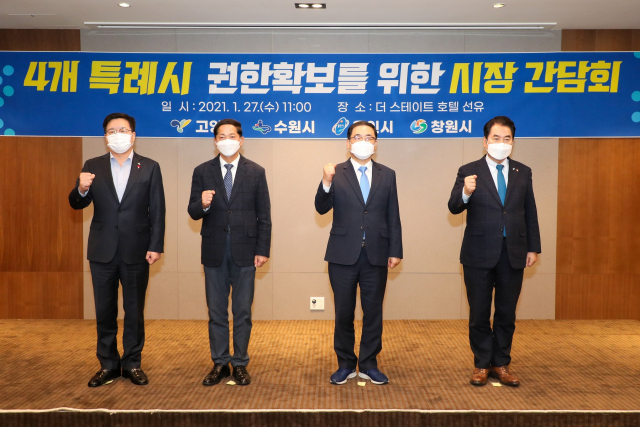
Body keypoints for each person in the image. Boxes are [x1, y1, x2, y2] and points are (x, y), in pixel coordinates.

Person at [69, 112, 166, 387]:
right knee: (104, 311)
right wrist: (81, 188)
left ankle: (132, 363)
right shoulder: (93, 165)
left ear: (133, 135)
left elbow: (158, 209)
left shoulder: (150, 166)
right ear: (105, 137)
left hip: (137, 249)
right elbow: (76, 203)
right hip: (102, 250)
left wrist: (156, 245)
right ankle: (108, 365)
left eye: (123, 130)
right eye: (112, 131)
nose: (117, 135)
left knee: (134, 311)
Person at [448, 116, 541, 387]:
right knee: (479, 312)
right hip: (478, 252)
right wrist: (466, 192)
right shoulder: (469, 170)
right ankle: (481, 363)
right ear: (485, 141)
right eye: (496, 138)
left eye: (507, 138)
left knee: (506, 312)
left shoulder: (523, 171)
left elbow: (530, 211)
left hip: (513, 251)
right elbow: (453, 206)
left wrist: (533, 247)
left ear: (513, 141)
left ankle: (501, 363)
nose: (502, 143)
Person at [315, 120, 402, 385]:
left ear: (375, 143)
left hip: (377, 252)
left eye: (369, 137)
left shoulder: (388, 174)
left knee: (373, 312)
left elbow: (393, 214)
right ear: (348, 143)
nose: (363, 141)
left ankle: (368, 364)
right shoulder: (335, 172)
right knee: (343, 312)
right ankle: (345, 364)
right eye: (357, 137)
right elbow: (321, 208)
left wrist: (396, 249)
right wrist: (325, 181)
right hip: (342, 253)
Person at [188, 118, 271, 386]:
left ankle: (240, 363)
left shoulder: (256, 171)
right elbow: (193, 211)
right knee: (216, 311)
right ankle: (220, 362)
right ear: (215, 142)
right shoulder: (202, 171)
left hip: (246, 250)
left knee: (242, 311)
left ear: (241, 140)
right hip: (214, 250)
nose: (227, 140)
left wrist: (263, 249)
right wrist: (202, 204)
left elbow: (264, 215)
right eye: (221, 136)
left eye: (232, 136)